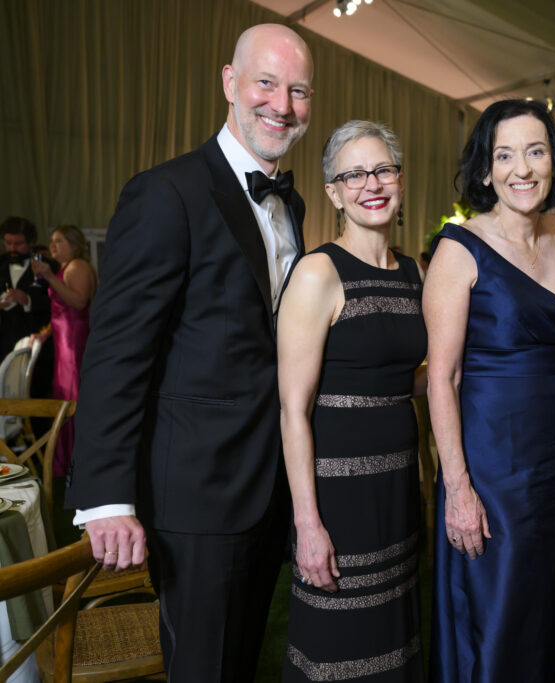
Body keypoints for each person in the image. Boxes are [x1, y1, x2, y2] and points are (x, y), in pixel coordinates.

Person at [64, 24, 313, 680]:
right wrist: (107, 497)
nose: (281, 104)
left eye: (298, 90)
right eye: (265, 82)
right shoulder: (166, 193)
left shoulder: (294, 206)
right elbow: (118, 352)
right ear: (229, 84)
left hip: (268, 490)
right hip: (197, 498)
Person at [424, 98, 555, 682]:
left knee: (551, 612)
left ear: (553, 162)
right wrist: (458, 488)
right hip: (489, 468)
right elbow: (443, 378)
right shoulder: (457, 249)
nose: (523, 167)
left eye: (536, 151)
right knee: (496, 613)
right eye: (505, 154)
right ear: (486, 170)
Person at [277, 121, 426, 681]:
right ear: (334, 192)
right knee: (339, 645)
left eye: (383, 169)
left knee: (393, 641)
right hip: (337, 498)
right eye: (354, 174)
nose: (372, 183)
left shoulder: (413, 271)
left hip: (396, 493)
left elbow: (396, 377)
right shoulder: (318, 272)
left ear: (401, 180)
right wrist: (307, 523)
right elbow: (293, 408)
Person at [30, 225, 96, 476]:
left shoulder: (77, 266)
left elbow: (78, 302)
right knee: (64, 397)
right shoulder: (66, 267)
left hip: (73, 344)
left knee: (73, 398)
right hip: (62, 342)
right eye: (52, 241)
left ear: (75, 245)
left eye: (59, 241)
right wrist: (46, 332)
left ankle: (78, 460)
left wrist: (47, 277)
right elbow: (60, 310)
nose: (53, 246)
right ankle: (68, 459)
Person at [0, 217, 58, 402]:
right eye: (8, 243)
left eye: (18, 243)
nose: (12, 248)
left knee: (37, 398)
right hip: (3, 342)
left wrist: (28, 300)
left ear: (31, 241)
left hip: (36, 344)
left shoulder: (48, 266)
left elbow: (57, 303)